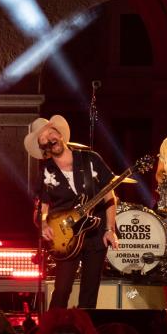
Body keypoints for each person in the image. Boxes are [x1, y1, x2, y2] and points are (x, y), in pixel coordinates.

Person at [25, 114, 119, 310]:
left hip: (95, 232)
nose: (50, 137)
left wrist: (110, 229)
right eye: (44, 138)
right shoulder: (45, 171)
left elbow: (110, 196)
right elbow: (43, 205)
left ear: (60, 135)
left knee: (89, 291)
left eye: (52, 132)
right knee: (61, 291)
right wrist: (43, 223)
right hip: (65, 235)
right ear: (43, 148)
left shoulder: (90, 159)